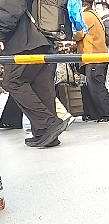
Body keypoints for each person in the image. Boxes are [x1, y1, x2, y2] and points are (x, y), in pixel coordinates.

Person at [0, 0, 65, 147]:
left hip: (23, 43)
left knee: (12, 81)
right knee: (41, 86)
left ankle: (49, 124)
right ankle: (46, 135)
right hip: (41, 40)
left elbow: (10, 9)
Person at [74, 3, 109, 120]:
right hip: (96, 56)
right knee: (94, 87)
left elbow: (79, 34)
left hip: (93, 56)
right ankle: (97, 114)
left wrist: (69, 38)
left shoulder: (86, 15)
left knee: (97, 87)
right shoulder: (94, 15)